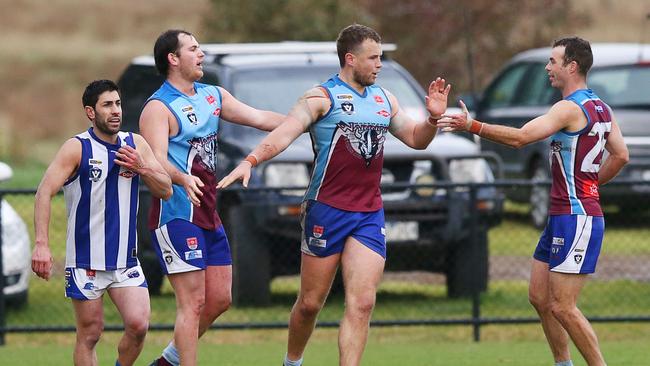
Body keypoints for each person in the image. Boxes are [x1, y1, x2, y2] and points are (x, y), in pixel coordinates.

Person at [217, 24, 451, 366]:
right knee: (311, 303)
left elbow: (416, 139)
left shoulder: (385, 99)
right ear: (350, 59)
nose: (379, 64)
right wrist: (251, 160)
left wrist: (432, 118)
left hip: (369, 214)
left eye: (381, 57)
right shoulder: (320, 98)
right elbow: (284, 134)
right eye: (373, 58)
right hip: (326, 211)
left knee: (362, 303)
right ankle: (292, 361)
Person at [438, 37, 629, 366]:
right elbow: (621, 155)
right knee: (540, 297)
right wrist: (589, 185)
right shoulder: (601, 107)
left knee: (563, 306)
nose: (547, 68)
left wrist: (472, 125)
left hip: (576, 215)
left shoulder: (569, 108)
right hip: (564, 214)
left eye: (553, 62)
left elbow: (521, 137)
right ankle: (563, 363)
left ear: (572, 66)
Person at [140, 29, 285, 366]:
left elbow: (261, 118)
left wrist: (306, 122)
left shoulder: (213, 95)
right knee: (191, 303)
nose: (201, 54)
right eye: (193, 49)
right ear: (173, 59)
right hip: (176, 215)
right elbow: (155, 158)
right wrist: (180, 176)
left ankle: (167, 362)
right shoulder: (158, 107)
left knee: (220, 299)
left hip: (208, 213)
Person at [31, 79, 172, 366]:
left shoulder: (136, 144)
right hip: (86, 260)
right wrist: (41, 245)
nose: (116, 110)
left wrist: (141, 167)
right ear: (90, 112)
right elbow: (44, 192)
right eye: (107, 105)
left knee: (138, 325)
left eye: (118, 103)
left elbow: (166, 189)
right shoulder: (77, 148)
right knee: (90, 334)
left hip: (125, 260)